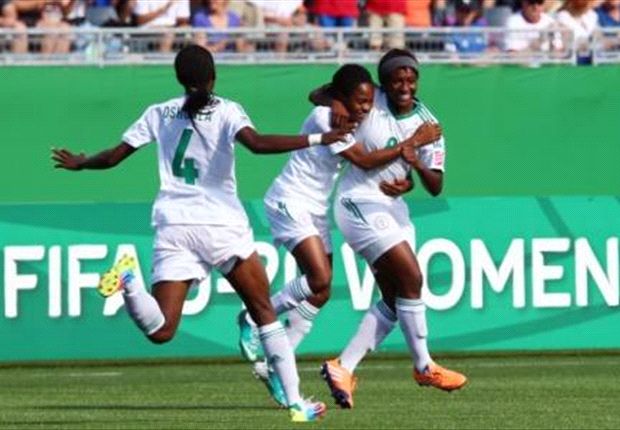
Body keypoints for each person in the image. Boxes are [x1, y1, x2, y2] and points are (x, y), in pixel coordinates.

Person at [50, 44, 350, 423]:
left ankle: (129, 279)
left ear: (179, 79)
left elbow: (113, 157)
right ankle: (295, 404)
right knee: (263, 313)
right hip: (221, 225)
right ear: (213, 77)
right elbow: (257, 145)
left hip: (174, 225)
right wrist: (317, 139)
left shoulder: (159, 112)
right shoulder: (226, 109)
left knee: (162, 330)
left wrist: (82, 163)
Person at [236, 63, 442, 406]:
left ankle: (274, 364)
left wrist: (406, 178)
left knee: (321, 291)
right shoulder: (325, 118)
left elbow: (321, 94)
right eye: (359, 101)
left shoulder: (343, 112)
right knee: (319, 278)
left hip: (315, 207)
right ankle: (255, 315)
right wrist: (413, 142)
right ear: (342, 97)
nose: (365, 108)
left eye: (367, 101)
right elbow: (363, 160)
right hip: (290, 200)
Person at [318, 48, 468, 409]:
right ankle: (423, 365)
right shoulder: (370, 98)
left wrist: (415, 169)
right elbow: (319, 94)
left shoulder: (429, 123)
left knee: (394, 295)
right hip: (358, 201)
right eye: (397, 78)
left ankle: (343, 366)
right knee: (412, 278)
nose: (405, 85)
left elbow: (436, 186)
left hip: (394, 208)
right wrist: (335, 103)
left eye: (411, 78)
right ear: (383, 81)